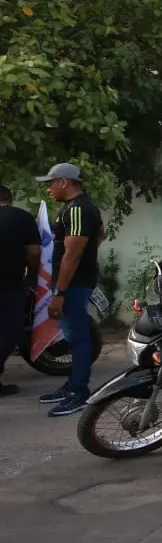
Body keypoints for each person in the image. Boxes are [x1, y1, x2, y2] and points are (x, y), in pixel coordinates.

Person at [36, 163, 104, 417]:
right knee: (75, 336)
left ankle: (79, 391)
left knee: (78, 338)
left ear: (65, 182)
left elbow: (72, 254)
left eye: (51, 183)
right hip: (75, 282)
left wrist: (59, 292)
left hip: (73, 284)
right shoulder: (79, 208)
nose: (48, 188)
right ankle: (73, 385)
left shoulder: (78, 210)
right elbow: (100, 234)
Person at [0, 184, 41, 397]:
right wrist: (32, 277)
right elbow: (34, 252)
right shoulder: (21, 218)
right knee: (9, 333)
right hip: (8, 284)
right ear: (10, 199)